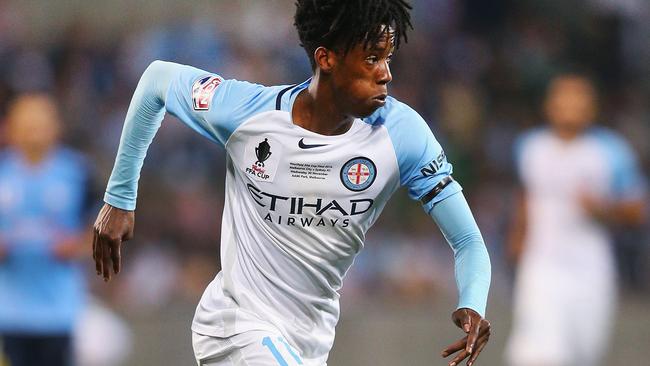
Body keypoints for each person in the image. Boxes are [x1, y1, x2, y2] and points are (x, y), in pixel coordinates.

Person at [92, 1, 492, 365]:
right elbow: (158, 81)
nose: (386, 73)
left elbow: (468, 242)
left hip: (308, 344)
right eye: (372, 58)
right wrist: (120, 197)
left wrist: (473, 302)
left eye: (388, 58)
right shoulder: (250, 114)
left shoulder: (402, 135)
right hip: (234, 327)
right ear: (327, 58)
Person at [505, 74, 647, 366]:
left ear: (592, 107)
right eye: (563, 98)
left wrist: (604, 210)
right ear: (549, 105)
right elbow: (526, 196)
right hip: (541, 266)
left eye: (578, 99)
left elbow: (637, 209)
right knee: (539, 353)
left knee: (583, 353)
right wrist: (516, 240)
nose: (570, 106)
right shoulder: (530, 147)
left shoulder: (611, 151)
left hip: (591, 270)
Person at [0, 94, 89, 366]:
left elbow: (102, 229)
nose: (33, 132)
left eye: (40, 124)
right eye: (26, 124)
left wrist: (77, 246)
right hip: (9, 310)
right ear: (11, 127)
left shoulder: (77, 172)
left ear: (56, 127)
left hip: (58, 309)